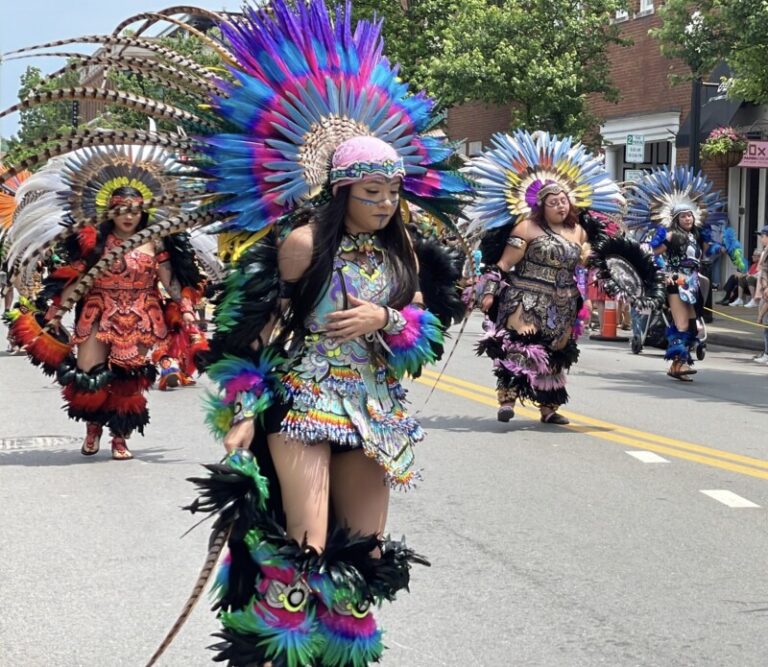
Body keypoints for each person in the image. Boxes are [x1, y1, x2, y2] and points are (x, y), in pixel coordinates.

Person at [5, 148, 207, 460]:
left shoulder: (155, 240)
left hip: (142, 315)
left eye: (135, 209)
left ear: (144, 210)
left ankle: (119, 438)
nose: (128, 215)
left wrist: (188, 313)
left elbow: (170, 281)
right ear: (110, 210)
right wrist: (55, 314)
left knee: (129, 382)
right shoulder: (93, 241)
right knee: (89, 376)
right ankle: (93, 426)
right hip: (97, 312)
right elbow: (75, 279)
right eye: (122, 209)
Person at [466, 131, 629, 426]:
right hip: (526, 296)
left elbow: (588, 259)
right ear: (542, 206)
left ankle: (549, 408)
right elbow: (503, 264)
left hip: (564, 300)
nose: (560, 205)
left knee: (556, 354)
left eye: (564, 200)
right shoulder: (527, 228)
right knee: (521, 346)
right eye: (553, 201)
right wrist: (487, 291)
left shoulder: (577, 232)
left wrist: (617, 269)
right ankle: (507, 400)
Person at [626, 166, 745, 381]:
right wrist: (652, 265)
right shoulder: (671, 235)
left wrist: (729, 249)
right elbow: (653, 251)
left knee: (693, 325)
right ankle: (677, 365)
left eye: (690, 215)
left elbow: (709, 252)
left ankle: (677, 365)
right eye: (683, 216)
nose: (688, 219)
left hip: (693, 283)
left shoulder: (698, 236)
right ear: (676, 218)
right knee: (681, 323)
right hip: (676, 281)